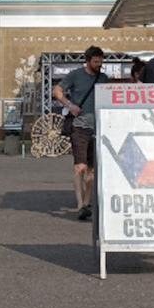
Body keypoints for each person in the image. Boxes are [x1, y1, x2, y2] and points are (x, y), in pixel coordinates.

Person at [53, 46, 109, 221]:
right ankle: (80, 205)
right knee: (80, 167)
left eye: (100, 61)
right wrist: (70, 105)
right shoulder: (76, 75)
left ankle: (86, 203)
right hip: (79, 127)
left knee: (92, 169)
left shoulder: (104, 78)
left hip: (98, 128)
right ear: (88, 61)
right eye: (96, 62)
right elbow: (57, 91)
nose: (99, 64)